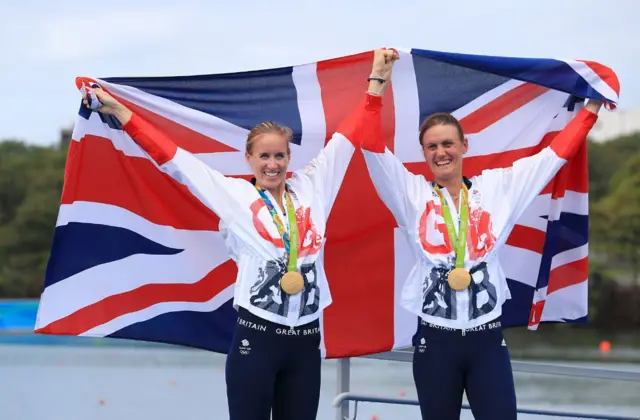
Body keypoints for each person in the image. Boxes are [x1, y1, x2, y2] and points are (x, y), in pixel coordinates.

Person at [80, 49, 398, 420]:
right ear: (249, 159)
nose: (273, 164)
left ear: (288, 158)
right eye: (264, 157)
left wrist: (378, 77)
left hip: (306, 341)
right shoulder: (234, 195)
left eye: (279, 156)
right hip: (257, 340)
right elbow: (172, 157)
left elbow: (349, 135)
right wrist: (120, 112)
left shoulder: (314, 186)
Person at [359, 56, 603, 420]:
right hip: (436, 340)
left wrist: (591, 109)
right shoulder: (411, 195)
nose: (441, 153)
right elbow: (369, 145)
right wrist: (377, 82)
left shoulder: (496, 190)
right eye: (432, 147)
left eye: (448, 144)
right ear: (424, 154)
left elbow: (551, 158)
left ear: (464, 146)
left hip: (487, 339)